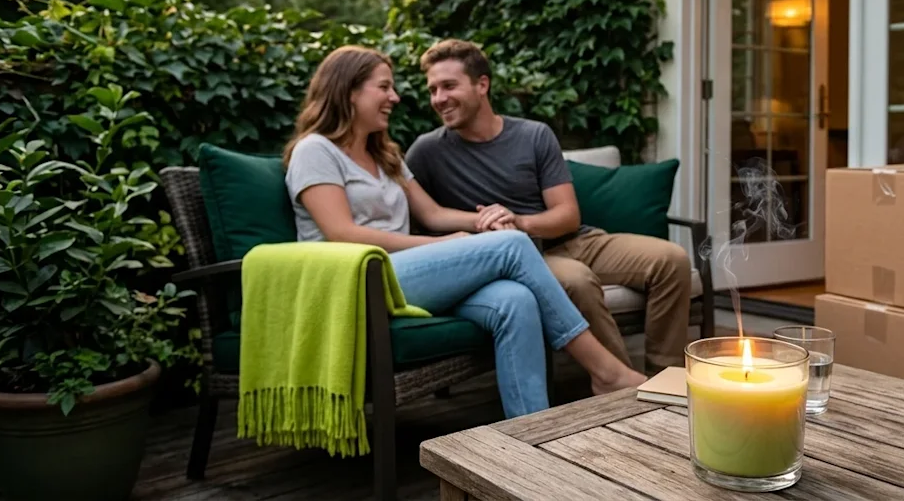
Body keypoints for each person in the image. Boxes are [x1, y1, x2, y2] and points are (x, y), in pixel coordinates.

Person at [281, 45, 646, 419]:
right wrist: (446, 243)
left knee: (515, 300)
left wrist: (489, 220)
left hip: (405, 276)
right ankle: (606, 371)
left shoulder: (383, 154)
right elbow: (343, 234)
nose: (395, 97)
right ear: (348, 90)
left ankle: (531, 430)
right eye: (384, 87)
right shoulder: (315, 151)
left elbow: (434, 213)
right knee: (511, 246)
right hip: (359, 280)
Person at [404, 38, 692, 375]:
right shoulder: (426, 152)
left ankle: (666, 377)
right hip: (525, 260)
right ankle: (620, 385)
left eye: (448, 86)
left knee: (672, 260)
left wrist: (519, 221)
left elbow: (567, 216)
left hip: (575, 240)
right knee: (578, 282)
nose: (438, 99)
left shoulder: (533, 135)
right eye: (433, 89)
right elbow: (420, 217)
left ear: (482, 85)